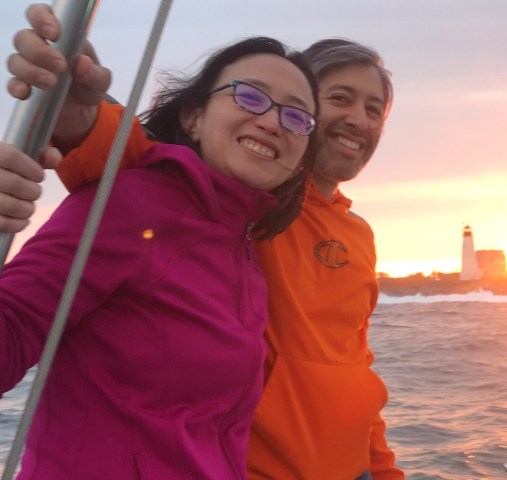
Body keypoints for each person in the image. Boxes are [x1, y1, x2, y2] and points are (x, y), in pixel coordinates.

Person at [3, 4, 405, 479]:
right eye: (340, 98)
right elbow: (139, 156)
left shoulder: (327, 233)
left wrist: (382, 470)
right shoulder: (223, 211)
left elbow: (355, 362)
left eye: (373, 109)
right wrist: (77, 113)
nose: (359, 118)